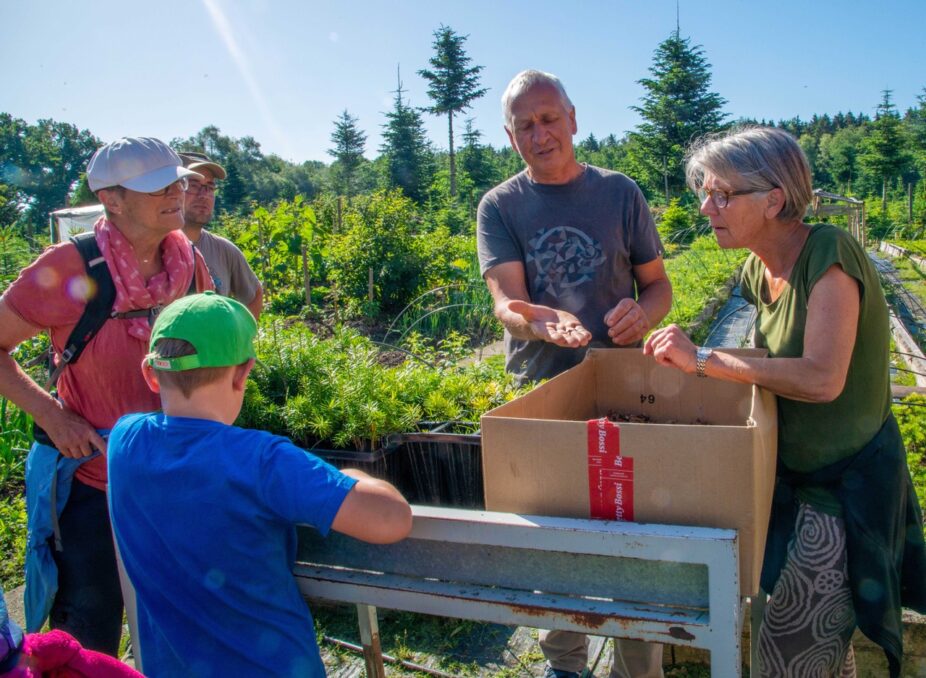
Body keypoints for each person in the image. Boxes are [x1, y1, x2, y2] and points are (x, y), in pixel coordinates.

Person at [644, 125, 926, 677]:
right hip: (793, 483)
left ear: (774, 199)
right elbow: (764, 355)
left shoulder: (829, 252)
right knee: (816, 649)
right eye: (705, 191)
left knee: (786, 656)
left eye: (722, 194)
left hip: (842, 493)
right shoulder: (757, 268)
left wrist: (702, 360)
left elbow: (823, 379)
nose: (706, 207)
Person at [477, 69, 672, 678]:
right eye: (526, 126)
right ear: (512, 139)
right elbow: (506, 304)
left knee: (634, 531)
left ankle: (639, 662)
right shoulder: (501, 206)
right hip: (541, 389)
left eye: (549, 118)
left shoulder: (621, 193)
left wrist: (643, 312)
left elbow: (659, 284)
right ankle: (566, 663)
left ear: (574, 118)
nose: (541, 134)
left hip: (620, 388)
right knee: (552, 537)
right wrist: (534, 319)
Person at [107, 291, 413, 677]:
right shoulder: (261, 460)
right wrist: (350, 476)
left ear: (151, 374)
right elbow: (392, 519)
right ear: (243, 372)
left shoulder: (124, 441)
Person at [0, 137, 213, 655]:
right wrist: (54, 418)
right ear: (112, 199)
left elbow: (211, 348)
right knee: (86, 628)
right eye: (156, 185)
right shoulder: (70, 269)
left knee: (174, 621)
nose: (175, 192)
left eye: (176, 181)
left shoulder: (186, 263)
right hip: (92, 481)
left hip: (167, 474)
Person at [178, 151, 263, 319]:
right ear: (173, 189)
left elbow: (254, 295)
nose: (203, 195)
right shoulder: (151, 247)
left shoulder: (224, 250)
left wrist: (237, 338)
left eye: (209, 187)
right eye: (193, 185)